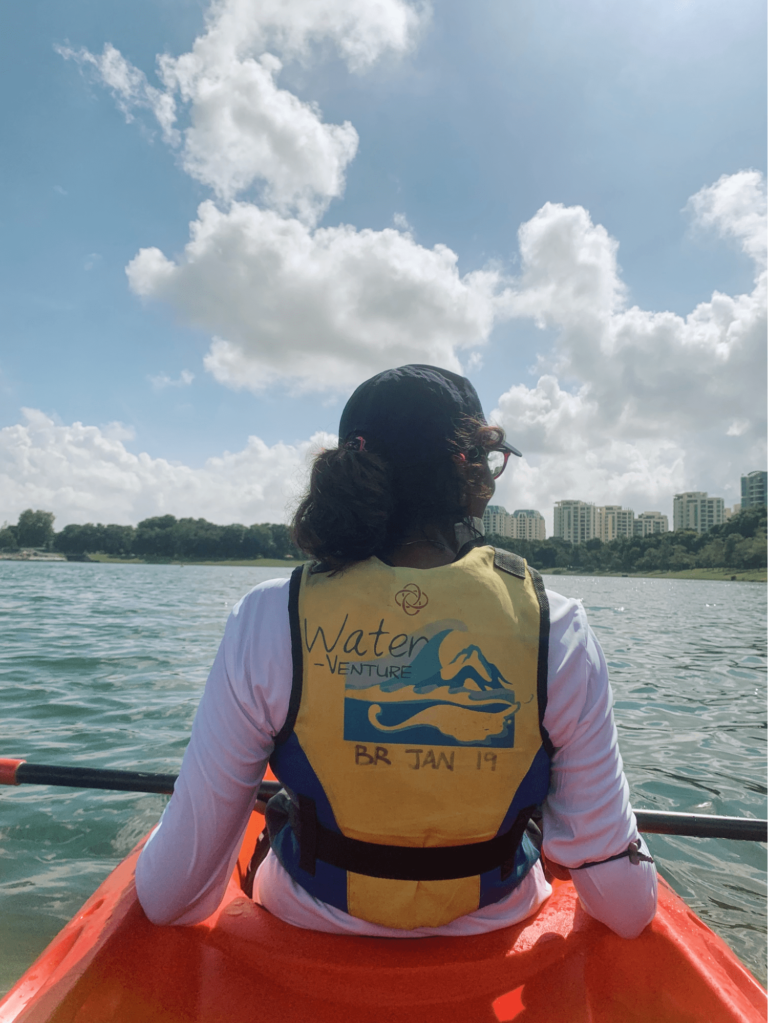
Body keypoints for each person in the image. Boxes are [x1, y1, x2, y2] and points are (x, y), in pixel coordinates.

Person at [135, 364, 657, 939]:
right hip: (501, 924)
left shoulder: (267, 616)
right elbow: (626, 910)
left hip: (301, 918)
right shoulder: (559, 627)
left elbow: (170, 898)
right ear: (469, 469)